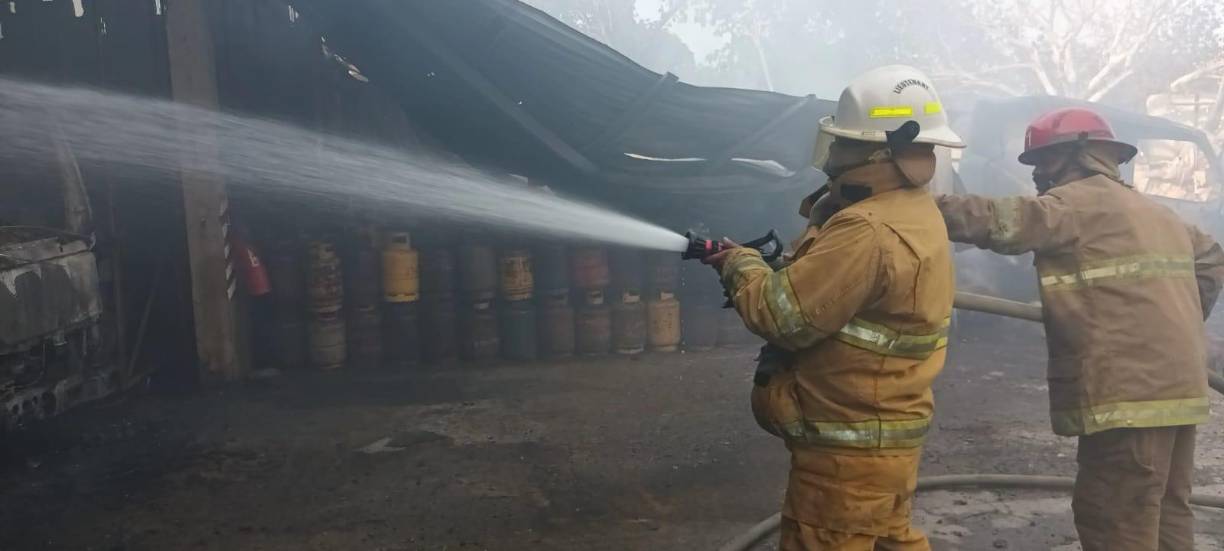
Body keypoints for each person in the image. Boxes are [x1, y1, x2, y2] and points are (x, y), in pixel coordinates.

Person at [937, 106, 1224, 551]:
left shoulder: (1074, 205)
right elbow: (1211, 259)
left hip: (1129, 395)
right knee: (1166, 510)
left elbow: (997, 220)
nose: (1036, 175)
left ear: (1080, 156)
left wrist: (920, 207)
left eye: (1044, 161)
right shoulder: (1157, 213)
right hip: (1178, 388)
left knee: (1115, 514)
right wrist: (1176, 323)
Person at [703, 65, 963, 550]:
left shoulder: (867, 229)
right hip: (883, 443)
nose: (833, 158)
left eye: (843, 144)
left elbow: (780, 315)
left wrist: (739, 263)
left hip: (845, 457)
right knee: (888, 540)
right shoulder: (914, 211)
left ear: (879, 152)